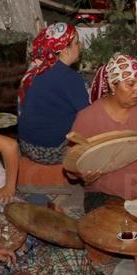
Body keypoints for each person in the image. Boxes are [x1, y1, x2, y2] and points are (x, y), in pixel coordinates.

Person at [69, 54, 137, 212]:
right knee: (116, 233)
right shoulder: (88, 117)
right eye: (130, 84)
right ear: (113, 85)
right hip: (106, 194)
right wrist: (81, 175)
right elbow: (71, 165)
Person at [16, 22, 88, 180]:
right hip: (51, 151)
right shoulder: (70, 78)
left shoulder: (36, 68)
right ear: (65, 49)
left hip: (26, 145)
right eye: (76, 42)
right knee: (93, 123)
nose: (80, 46)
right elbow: (88, 115)